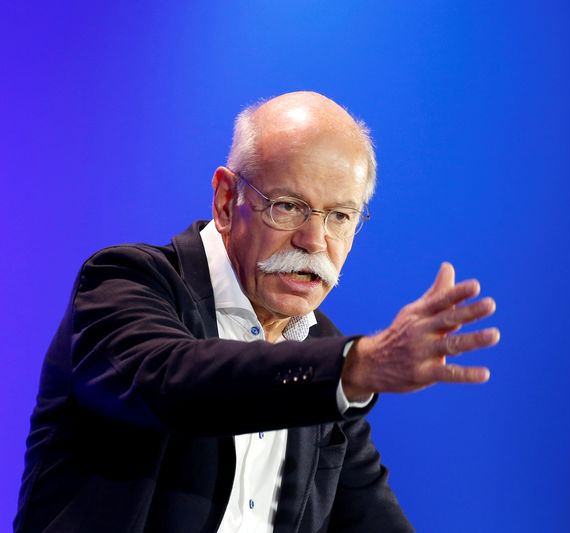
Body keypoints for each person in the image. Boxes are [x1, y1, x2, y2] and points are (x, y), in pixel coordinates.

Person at [15, 91, 499, 533]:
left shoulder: (320, 347)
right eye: (289, 206)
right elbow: (174, 383)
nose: (315, 241)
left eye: (340, 216)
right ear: (227, 201)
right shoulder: (124, 280)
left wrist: (346, 367)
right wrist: (356, 366)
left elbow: (370, 515)